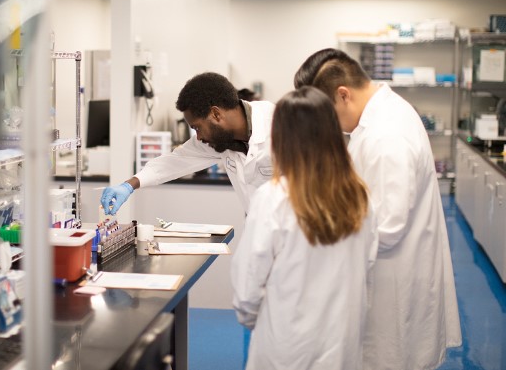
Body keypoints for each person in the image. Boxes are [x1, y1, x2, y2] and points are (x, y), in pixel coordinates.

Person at [294, 48, 462, 370]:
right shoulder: (382, 115)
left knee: (387, 357)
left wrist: (322, 231)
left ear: (343, 95)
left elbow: (386, 228)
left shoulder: (387, 137)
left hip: (390, 284)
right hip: (390, 277)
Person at [231, 86, 378, 370]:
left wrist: (258, 321)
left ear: (281, 138)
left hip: (286, 347)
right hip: (342, 344)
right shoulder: (360, 196)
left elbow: (248, 288)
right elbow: (368, 265)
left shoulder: (273, 199)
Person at [100, 72, 276, 215]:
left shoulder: (280, 126)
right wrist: (129, 185)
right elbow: (174, 161)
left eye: (197, 127)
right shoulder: (221, 138)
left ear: (216, 114)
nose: (198, 137)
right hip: (258, 235)